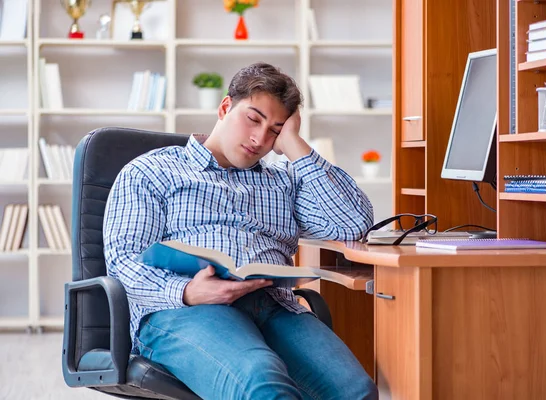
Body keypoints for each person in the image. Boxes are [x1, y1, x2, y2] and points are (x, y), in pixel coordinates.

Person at [103, 62, 378, 400]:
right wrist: (188, 290)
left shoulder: (283, 182)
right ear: (225, 107)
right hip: (185, 310)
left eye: (275, 129)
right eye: (253, 118)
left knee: (357, 391)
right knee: (263, 384)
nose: (260, 138)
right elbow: (122, 263)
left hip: (272, 305)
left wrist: (294, 145)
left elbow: (353, 224)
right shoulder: (152, 171)